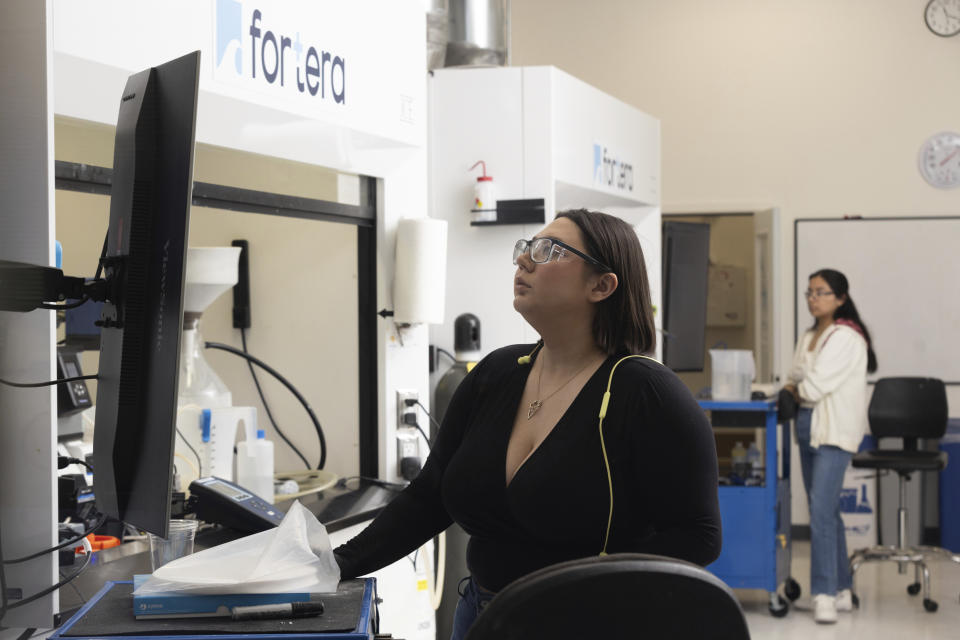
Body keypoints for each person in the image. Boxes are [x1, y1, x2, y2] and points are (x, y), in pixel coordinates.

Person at [334, 209, 722, 639]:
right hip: (481, 615)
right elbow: (429, 498)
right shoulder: (495, 373)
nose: (524, 261)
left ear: (602, 285)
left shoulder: (646, 393)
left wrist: (586, 593)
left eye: (548, 250)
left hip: (586, 625)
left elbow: (698, 536)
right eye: (525, 248)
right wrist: (334, 565)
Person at [785, 268, 877, 624]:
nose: (813, 298)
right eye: (809, 292)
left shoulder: (846, 337)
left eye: (821, 292)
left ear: (840, 298)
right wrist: (798, 384)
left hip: (833, 431)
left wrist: (798, 385)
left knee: (821, 513)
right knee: (827, 512)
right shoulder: (810, 334)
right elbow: (795, 375)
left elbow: (809, 387)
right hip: (807, 424)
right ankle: (841, 590)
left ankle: (822, 593)